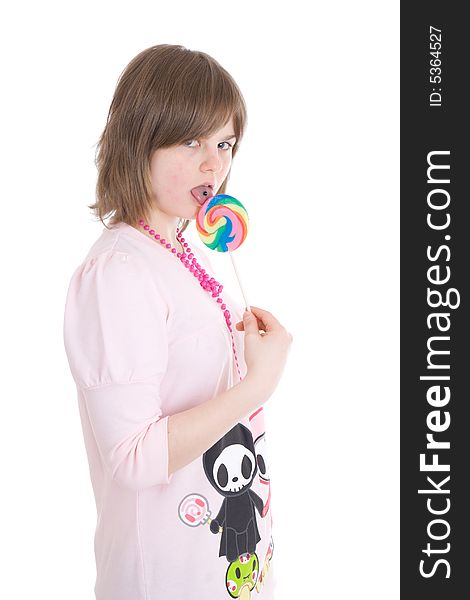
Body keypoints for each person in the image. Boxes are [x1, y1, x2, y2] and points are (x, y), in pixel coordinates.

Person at [63, 43, 293, 600]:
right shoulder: (119, 270)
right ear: (141, 139)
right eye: (191, 141)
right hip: (165, 581)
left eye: (224, 143)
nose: (215, 163)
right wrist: (258, 385)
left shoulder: (186, 249)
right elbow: (135, 458)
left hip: (227, 570)